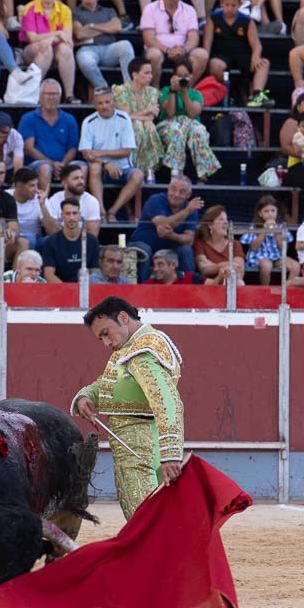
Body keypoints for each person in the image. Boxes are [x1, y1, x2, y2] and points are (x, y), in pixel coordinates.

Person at [73, 296, 185, 519]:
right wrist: (88, 395)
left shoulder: (142, 353)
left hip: (139, 448)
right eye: (100, 338)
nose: (106, 342)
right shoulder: (130, 347)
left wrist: (171, 454)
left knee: (143, 519)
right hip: (144, 445)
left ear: (123, 317)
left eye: (106, 332)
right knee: (156, 516)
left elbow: (168, 402)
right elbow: (112, 380)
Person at [79, 87, 143, 222]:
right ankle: (101, 212)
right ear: (95, 104)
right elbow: (86, 153)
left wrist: (101, 153)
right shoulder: (88, 122)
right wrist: (106, 163)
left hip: (124, 168)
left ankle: (113, 211)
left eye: (107, 102)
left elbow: (127, 150)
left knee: (138, 175)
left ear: (113, 102)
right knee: (95, 167)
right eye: (100, 103)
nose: (104, 106)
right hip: (101, 168)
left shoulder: (123, 118)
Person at [204, 0, 271, 106]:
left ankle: (256, 96)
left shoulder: (247, 21)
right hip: (221, 54)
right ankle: (223, 93)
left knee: (263, 63)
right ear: (221, 4)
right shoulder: (213, 19)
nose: (229, 8)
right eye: (227, 5)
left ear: (239, 5)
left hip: (242, 54)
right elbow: (207, 43)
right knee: (215, 65)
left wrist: (255, 56)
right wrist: (207, 59)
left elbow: (257, 45)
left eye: (233, 5)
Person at [130, 174, 205, 278]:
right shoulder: (155, 200)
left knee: (186, 250)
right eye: (173, 189)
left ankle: (188, 288)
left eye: (182, 192)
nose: (176, 194)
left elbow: (189, 239)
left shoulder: (191, 210)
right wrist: (187, 211)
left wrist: (172, 235)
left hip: (170, 249)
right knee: (145, 250)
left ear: (188, 195)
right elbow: (163, 224)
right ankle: (143, 289)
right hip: (142, 243)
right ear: (168, 189)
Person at [157, 60, 221, 181]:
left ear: (191, 76)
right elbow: (170, 113)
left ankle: (202, 174)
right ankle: (177, 174)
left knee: (199, 131)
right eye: (179, 76)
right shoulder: (166, 91)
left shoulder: (196, 94)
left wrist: (185, 92)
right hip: (169, 124)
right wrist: (173, 91)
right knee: (178, 132)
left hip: (190, 123)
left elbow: (192, 113)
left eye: (186, 76)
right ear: (173, 77)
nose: (183, 79)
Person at [20, 79, 80, 193]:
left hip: (63, 164)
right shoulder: (28, 118)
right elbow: (29, 148)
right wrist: (52, 164)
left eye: (54, 94)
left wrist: (62, 166)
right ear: (40, 96)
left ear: (60, 96)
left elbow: (72, 148)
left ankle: (74, 207)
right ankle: (44, 206)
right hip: (36, 164)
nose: (50, 97)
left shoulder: (69, 119)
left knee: (81, 167)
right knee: (45, 167)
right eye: (47, 94)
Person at [140, 0, 206, 84]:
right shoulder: (150, 8)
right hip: (159, 50)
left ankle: (186, 89)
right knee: (154, 55)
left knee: (202, 55)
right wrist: (168, 50)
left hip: (182, 51)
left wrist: (184, 49)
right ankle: (156, 91)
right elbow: (149, 39)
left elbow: (194, 38)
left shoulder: (190, 10)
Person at [73, 0, 134, 91]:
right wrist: (106, 28)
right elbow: (79, 34)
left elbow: (117, 27)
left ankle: (129, 90)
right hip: (88, 50)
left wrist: (92, 26)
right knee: (85, 60)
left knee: (126, 45)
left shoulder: (109, 10)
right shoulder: (74, 12)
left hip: (109, 49)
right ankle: (105, 90)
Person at [21, 0, 77, 100]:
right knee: (46, 48)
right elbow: (33, 38)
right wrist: (56, 33)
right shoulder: (29, 8)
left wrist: (50, 39)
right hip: (31, 50)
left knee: (65, 49)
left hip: (54, 50)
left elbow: (67, 38)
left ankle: (69, 95)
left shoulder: (65, 10)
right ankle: (32, 93)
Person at [111, 57, 163, 175]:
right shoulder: (121, 91)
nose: (150, 76)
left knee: (149, 126)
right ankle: (135, 167)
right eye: (146, 73)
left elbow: (150, 118)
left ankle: (149, 169)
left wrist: (140, 115)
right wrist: (147, 111)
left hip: (145, 127)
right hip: (121, 128)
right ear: (135, 75)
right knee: (138, 125)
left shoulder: (152, 92)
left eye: (151, 73)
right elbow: (124, 117)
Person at [39, 198, 100, 282]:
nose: (72, 217)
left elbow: (94, 273)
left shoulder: (92, 241)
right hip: (60, 290)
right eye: (68, 214)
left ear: (79, 215)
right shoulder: (51, 242)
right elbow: (49, 275)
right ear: (62, 215)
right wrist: (67, 291)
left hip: (84, 288)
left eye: (75, 213)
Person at [240, 194, 297, 285]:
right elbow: (254, 247)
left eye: (273, 211)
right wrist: (264, 231)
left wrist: (277, 233)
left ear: (277, 212)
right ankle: (265, 290)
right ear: (260, 213)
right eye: (266, 211)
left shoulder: (281, 226)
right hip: (260, 257)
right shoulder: (254, 227)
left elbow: (283, 248)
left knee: (295, 266)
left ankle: (287, 290)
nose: (270, 214)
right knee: (266, 266)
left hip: (277, 257)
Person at [44, 162, 101, 236]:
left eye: (82, 178)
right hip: (59, 243)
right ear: (65, 183)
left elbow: (92, 236)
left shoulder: (91, 201)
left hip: (82, 243)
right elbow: (52, 232)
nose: (81, 182)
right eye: (76, 178)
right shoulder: (54, 200)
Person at [193, 204, 244, 284]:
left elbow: (239, 270)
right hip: (210, 284)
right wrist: (224, 265)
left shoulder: (235, 244)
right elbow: (204, 269)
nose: (225, 222)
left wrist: (214, 266)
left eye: (226, 220)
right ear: (210, 225)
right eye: (221, 219)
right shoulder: (200, 244)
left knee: (239, 283)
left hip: (230, 282)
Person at [7, 166, 43, 248]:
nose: (36, 190)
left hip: (36, 240)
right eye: (32, 186)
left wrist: (43, 205)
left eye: (37, 185)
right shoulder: (5, 197)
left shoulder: (40, 198)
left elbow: (52, 231)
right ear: (19, 186)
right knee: (28, 240)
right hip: (11, 239)